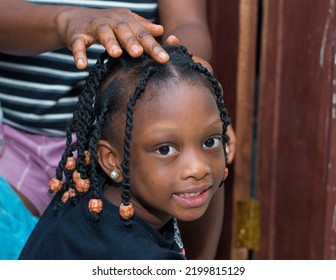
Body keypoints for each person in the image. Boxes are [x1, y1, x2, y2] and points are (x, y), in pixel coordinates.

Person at [0, 0, 236, 259]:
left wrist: (186, 83)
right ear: (111, 160)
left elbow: (188, 21)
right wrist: (64, 20)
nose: (198, 168)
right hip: (14, 144)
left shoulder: (98, 188)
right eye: (166, 149)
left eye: (210, 141)